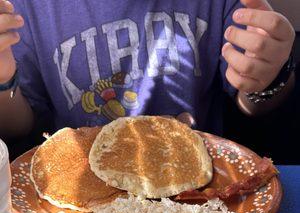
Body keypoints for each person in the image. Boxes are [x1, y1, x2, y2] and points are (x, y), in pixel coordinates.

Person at [0, 0, 295, 140]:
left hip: (198, 194)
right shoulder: (25, 8)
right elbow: (21, 125)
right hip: (79, 201)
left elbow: (255, 102)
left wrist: (269, 77)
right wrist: (2, 80)